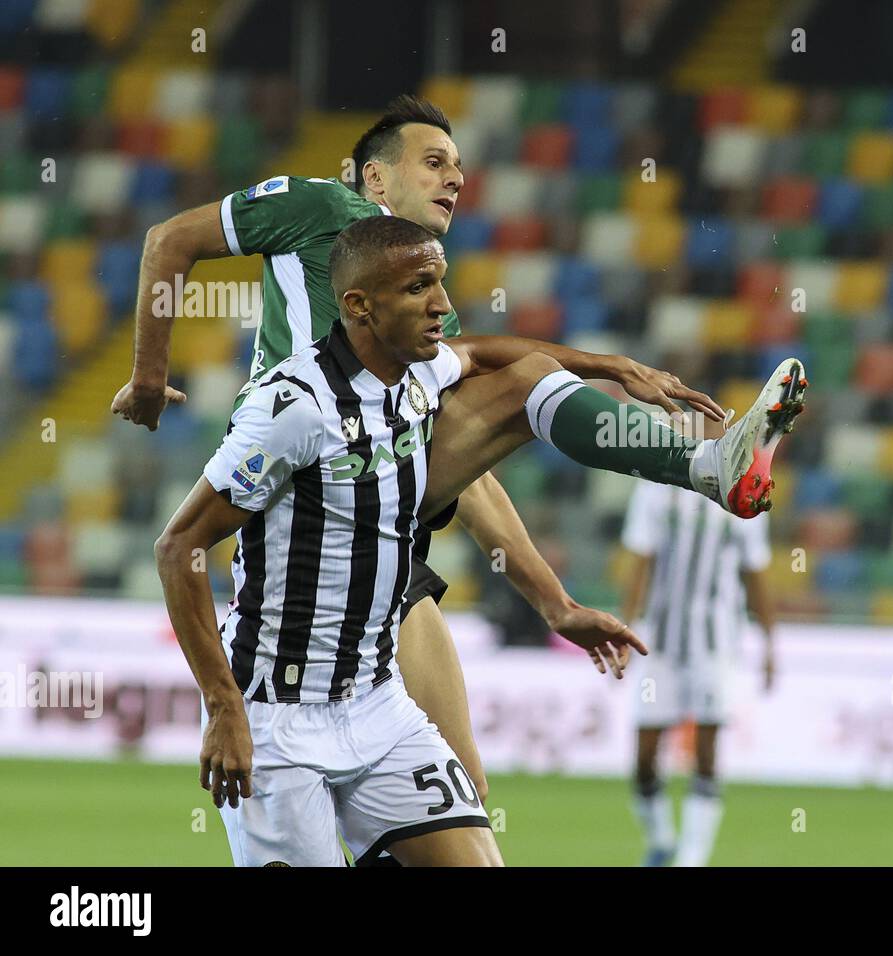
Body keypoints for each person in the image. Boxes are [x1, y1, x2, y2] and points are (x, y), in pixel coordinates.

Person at [155, 215, 805, 865]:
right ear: (359, 306)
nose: (442, 304)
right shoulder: (293, 406)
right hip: (278, 717)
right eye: (418, 288)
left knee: (530, 380)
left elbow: (496, 355)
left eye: (440, 281)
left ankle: (709, 467)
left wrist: (609, 366)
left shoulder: (417, 376)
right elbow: (177, 546)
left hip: (377, 706)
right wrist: (223, 704)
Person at [113, 96, 633, 806]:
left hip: (379, 555)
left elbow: (458, 476)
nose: (455, 178)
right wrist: (149, 376)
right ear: (373, 180)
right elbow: (170, 239)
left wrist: (556, 605)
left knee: (460, 790)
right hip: (299, 532)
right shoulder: (313, 208)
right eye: (434, 161)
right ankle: (698, 465)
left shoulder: (408, 313)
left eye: (459, 167)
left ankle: (703, 466)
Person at [619, 413, 778, 867]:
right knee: (645, 758)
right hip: (661, 642)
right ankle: (661, 840)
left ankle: (691, 858)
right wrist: (625, 630)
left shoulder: (746, 492)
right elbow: (640, 563)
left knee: (707, 752)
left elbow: (757, 575)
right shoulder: (656, 489)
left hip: (716, 641)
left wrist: (770, 643)